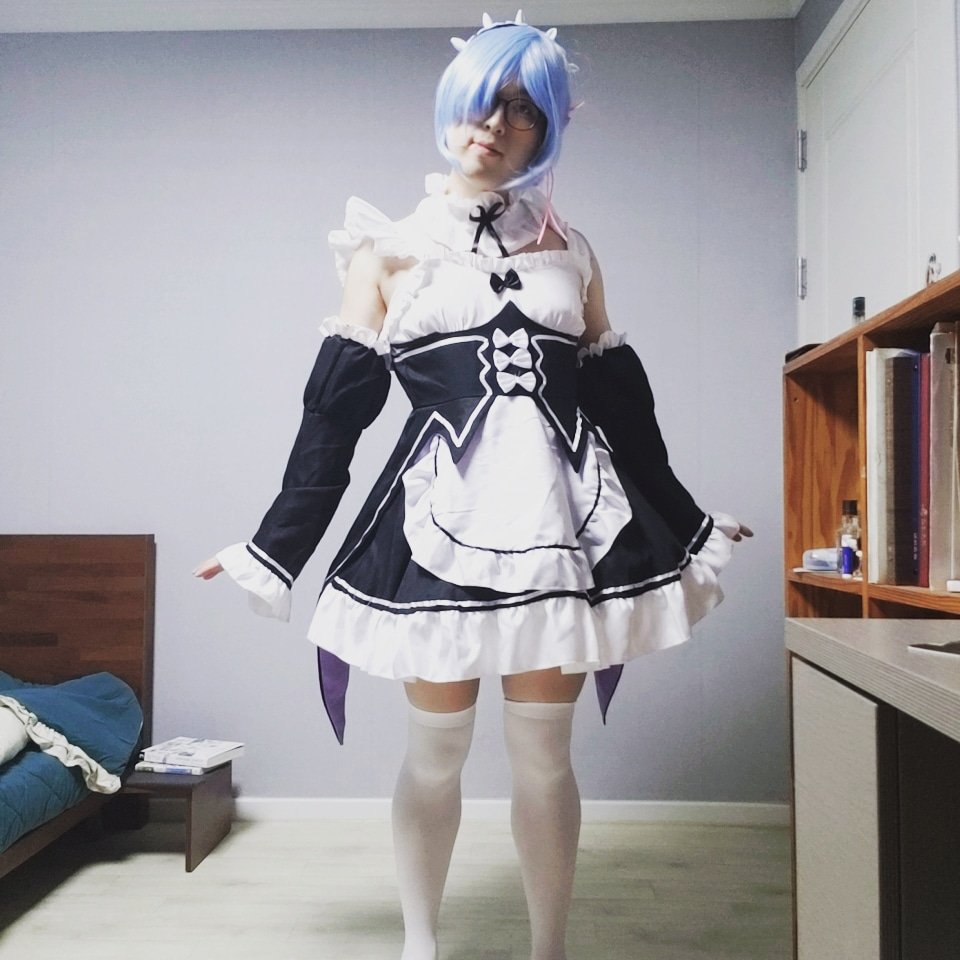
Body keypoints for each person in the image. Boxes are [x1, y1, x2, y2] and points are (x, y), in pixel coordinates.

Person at [195, 13, 750, 960]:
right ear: (452, 106)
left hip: (561, 528)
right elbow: (334, 418)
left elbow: (625, 413)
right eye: (483, 102)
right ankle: (421, 944)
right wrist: (271, 548)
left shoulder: (574, 250)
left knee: (544, 758)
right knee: (436, 753)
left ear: (547, 130)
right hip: (436, 525)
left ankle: (548, 950)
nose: (495, 125)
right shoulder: (384, 251)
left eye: (523, 111)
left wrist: (692, 525)